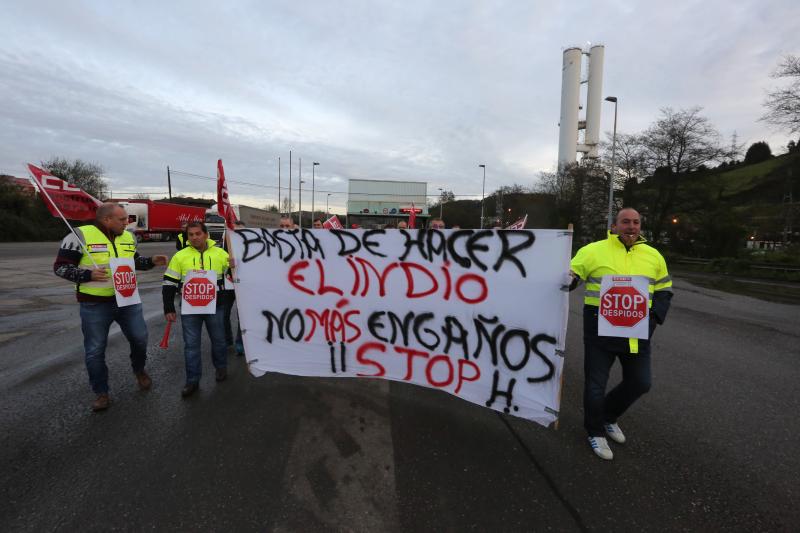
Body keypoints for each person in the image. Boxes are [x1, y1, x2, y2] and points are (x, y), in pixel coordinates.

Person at [568, 207, 673, 460]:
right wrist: (569, 277)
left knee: (640, 382)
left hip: (637, 330)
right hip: (599, 329)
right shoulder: (592, 251)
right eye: (625, 222)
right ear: (614, 226)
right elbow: (571, 278)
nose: (631, 226)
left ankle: (607, 416)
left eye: (636, 222)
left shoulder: (653, 255)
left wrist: (654, 319)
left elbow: (664, 290)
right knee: (595, 384)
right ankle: (595, 431)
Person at [53, 203, 168, 411]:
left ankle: (139, 370)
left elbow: (133, 261)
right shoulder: (79, 235)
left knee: (140, 339)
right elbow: (60, 267)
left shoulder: (129, 237)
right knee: (95, 350)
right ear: (107, 220)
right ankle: (101, 392)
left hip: (128, 300)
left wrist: (150, 261)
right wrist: (87, 275)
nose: (127, 223)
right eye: (122, 219)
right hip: (94, 304)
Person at [162, 221, 230, 397]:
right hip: (190, 308)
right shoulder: (180, 256)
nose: (194, 237)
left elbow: (235, 276)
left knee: (219, 340)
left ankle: (221, 367)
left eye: (197, 234)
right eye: (190, 235)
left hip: (216, 306)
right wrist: (168, 307)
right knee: (191, 346)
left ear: (206, 234)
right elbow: (169, 282)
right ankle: (192, 380)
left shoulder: (221, 254)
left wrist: (234, 265)